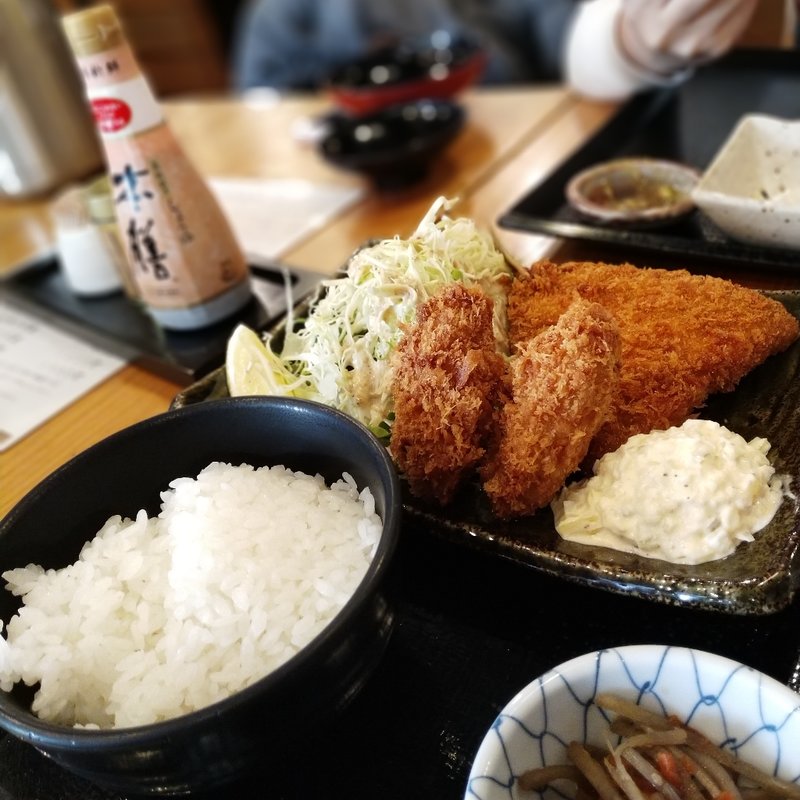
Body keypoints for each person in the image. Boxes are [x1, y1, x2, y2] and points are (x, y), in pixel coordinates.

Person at [231, 0, 770, 100]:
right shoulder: (284, 11)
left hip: (514, 179)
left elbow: (575, 44)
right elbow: (259, 107)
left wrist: (636, 38)